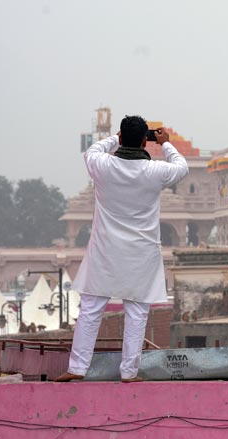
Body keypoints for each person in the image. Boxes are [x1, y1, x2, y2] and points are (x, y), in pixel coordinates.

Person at [56, 116, 188, 383]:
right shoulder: (155, 171)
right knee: (137, 314)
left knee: (91, 310)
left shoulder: (103, 166)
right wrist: (165, 144)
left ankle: (77, 368)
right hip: (141, 252)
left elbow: (91, 151)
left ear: (121, 138)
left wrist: (114, 138)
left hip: (106, 249)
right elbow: (182, 167)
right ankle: (129, 372)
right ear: (144, 141)